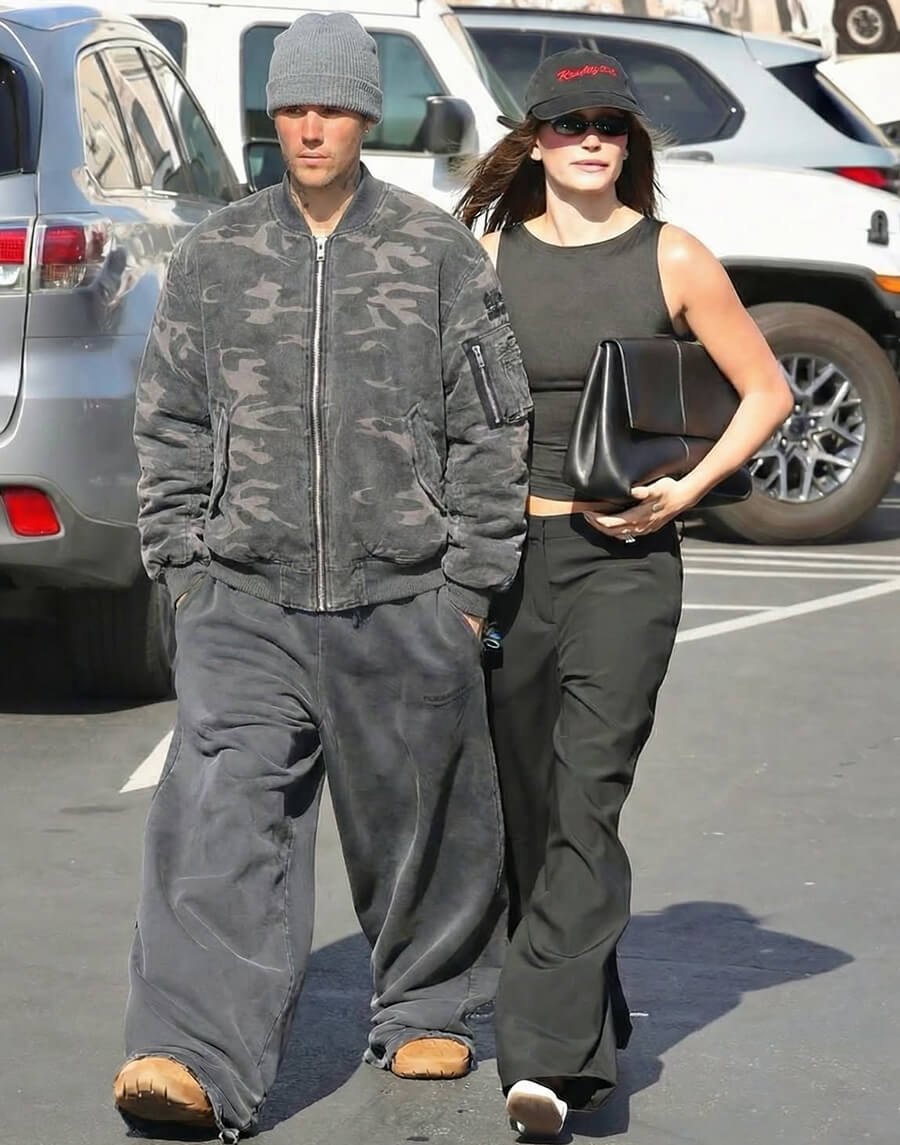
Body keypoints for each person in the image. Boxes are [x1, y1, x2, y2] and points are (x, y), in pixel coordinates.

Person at [113, 13, 532, 1141]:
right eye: (294, 107)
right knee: (220, 815)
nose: (310, 127)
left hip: (406, 587)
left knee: (419, 812)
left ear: (364, 119)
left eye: (333, 109)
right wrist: (182, 565)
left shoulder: (436, 251)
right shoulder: (217, 254)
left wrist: (470, 586)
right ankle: (188, 1051)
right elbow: (169, 417)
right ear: (274, 116)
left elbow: (493, 424)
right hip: (243, 591)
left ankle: (428, 1001)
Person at [457, 48, 793, 1138]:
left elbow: (767, 390)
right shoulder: (487, 256)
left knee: (587, 793)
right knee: (530, 812)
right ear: (535, 142)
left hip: (627, 567)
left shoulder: (673, 254)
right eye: (570, 124)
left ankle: (543, 1064)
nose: (592, 139)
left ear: (630, 142)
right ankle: (584, 1019)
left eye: (611, 124)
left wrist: (687, 489)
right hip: (512, 558)